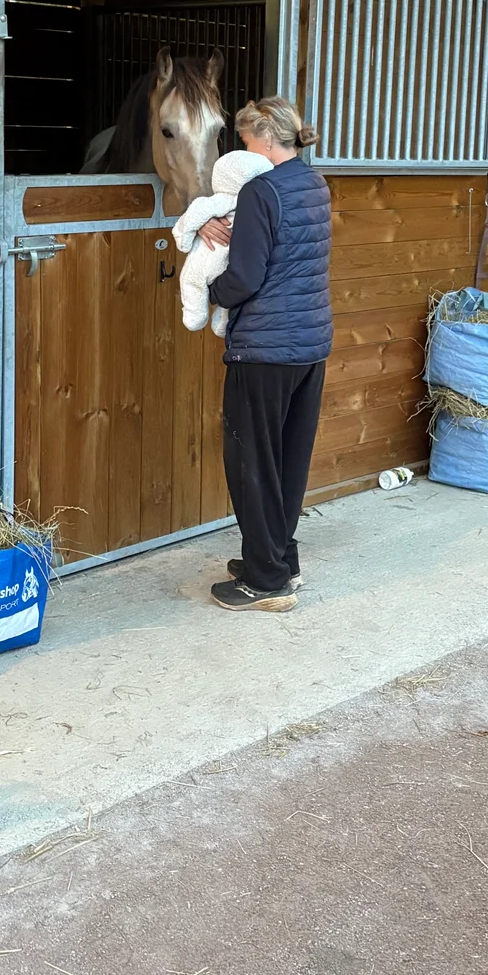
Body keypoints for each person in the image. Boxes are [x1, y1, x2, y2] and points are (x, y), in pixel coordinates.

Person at [198, 97, 332, 613]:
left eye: (248, 141)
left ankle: (265, 582)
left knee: (251, 459)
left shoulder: (260, 191)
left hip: (265, 347)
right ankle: (279, 556)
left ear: (268, 138)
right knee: (288, 458)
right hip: (309, 343)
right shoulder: (313, 183)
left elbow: (246, 277)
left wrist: (210, 290)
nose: (243, 150)